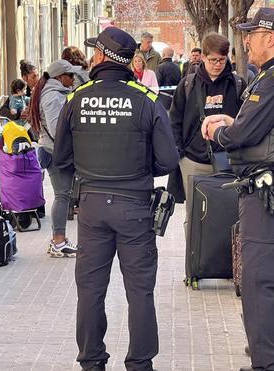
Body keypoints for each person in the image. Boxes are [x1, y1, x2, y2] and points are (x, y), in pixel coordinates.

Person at [53, 27, 179, 371]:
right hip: (136, 207)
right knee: (139, 291)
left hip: (92, 206)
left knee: (91, 289)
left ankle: (92, 361)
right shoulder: (147, 100)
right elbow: (168, 160)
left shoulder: (76, 98)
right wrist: (139, 169)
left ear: (101, 57)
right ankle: (140, 363)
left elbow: (60, 158)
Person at [201, 8, 274, 370]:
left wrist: (218, 131)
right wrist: (238, 122)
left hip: (269, 194)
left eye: (251, 34)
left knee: (258, 282)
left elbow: (243, 136)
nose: (246, 42)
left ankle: (267, 363)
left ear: (269, 37)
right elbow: (266, 127)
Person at [169, 32, 245, 230]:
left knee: (228, 214)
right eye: (212, 60)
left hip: (228, 160)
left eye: (222, 59)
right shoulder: (187, 84)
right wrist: (180, 153)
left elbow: (246, 121)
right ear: (202, 57)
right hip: (193, 160)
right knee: (195, 217)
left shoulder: (237, 85)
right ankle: (195, 261)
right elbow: (175, 120)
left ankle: (222, 259)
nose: (218, 64)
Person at [28, 59, 81, 258]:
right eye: (71, 75)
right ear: (61, 77)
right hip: (55, 152)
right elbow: (56, 127)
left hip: (53, 150)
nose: (73, 79)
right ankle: (58, 241)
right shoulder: (52, 96)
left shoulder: (54, 92)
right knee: (62, 195)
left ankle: (59, 239)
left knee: (64, 195)